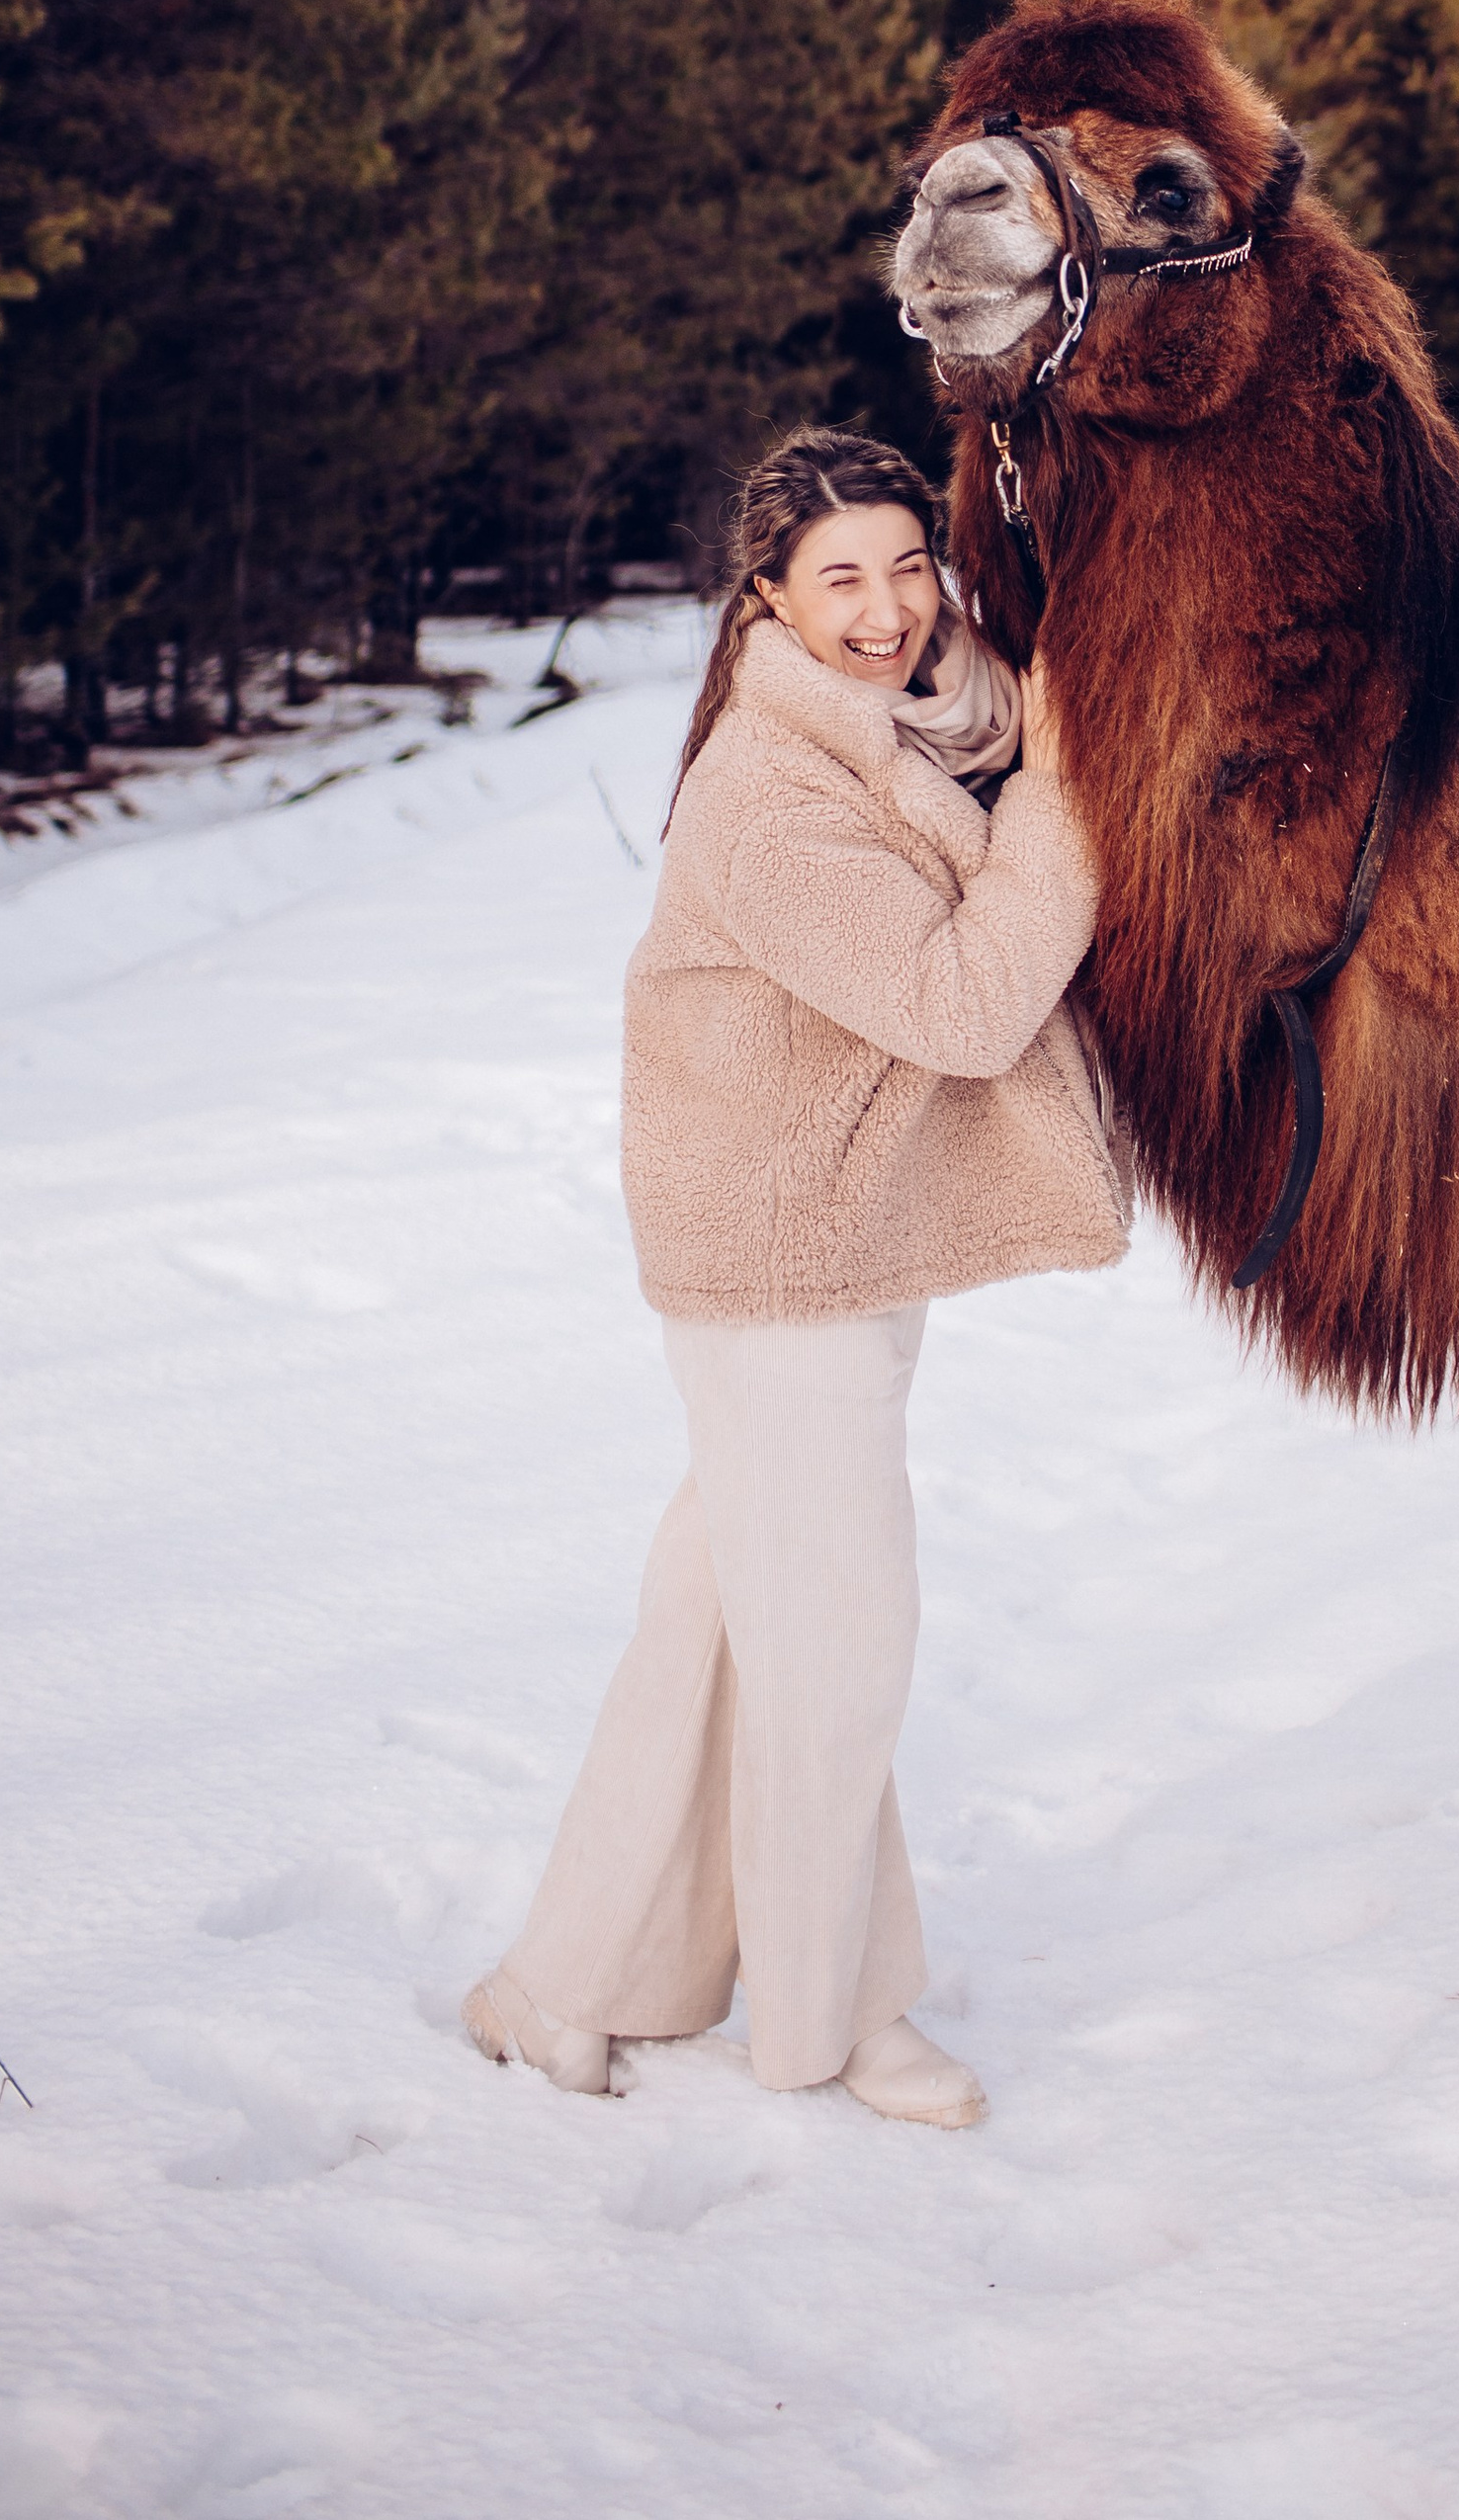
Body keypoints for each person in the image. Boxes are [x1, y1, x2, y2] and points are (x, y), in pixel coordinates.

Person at [464, 430, 1125, 2126]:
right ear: (764, 598)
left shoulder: (910, 716)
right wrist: (1074, 786)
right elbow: (971, 1005)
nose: (889, 609)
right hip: (778, 1268)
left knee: (720, 1635)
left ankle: (561, 1987)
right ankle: (841, 2021)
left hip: (830, 1237)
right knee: (839, 1652)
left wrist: (1041, 711)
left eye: (911, 566)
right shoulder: (767, 798)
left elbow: (980, 715)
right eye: (843, 578)